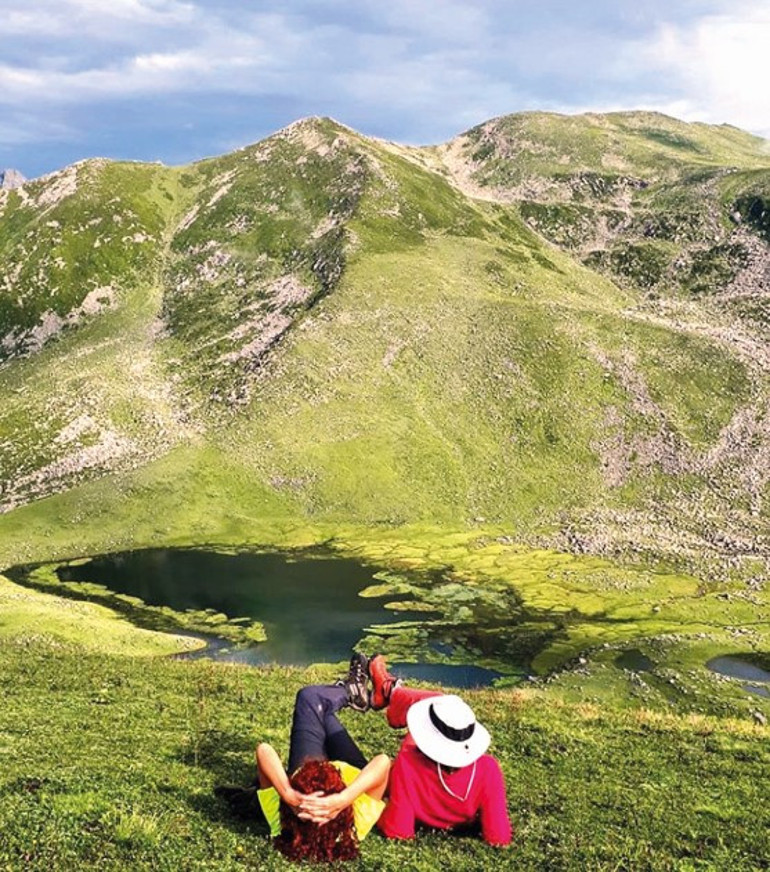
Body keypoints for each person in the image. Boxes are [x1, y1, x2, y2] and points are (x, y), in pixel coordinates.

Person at [300, 653, 513, 848]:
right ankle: (388, 690)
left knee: (435, 700)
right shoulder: (487, 768)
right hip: (396, 775)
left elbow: (397, 830)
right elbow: (499, 837)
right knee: (438, 705)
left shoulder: (409, 763)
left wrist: (378, 805)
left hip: (370, 783)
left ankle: (388, 691)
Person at [216, 654, 389, 863]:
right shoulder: (354, 822)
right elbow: (383, 762)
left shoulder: (282, 822)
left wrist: (289, 794)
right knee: (312, 701)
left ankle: (356, 691)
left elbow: (264, 750)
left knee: (312, 702)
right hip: (355, 771)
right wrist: (344, 798)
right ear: (340, 809)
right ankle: (357, 691)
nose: (326, 763)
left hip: (318, 790)